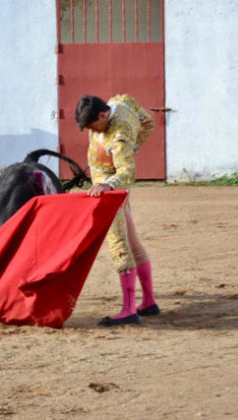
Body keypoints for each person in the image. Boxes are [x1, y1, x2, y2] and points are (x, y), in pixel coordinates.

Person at [75, 94, 160, 326]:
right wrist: (135, 145)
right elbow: (148, 122)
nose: (93, 131)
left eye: (94, 126)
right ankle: (149, 302)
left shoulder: (118, 136)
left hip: (109, 192)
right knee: (132, 241)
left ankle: (129, 308)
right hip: (108, 187)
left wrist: (108, 183)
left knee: (118, 243)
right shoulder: (120, 101)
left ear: (103, 115)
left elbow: (127, 172)